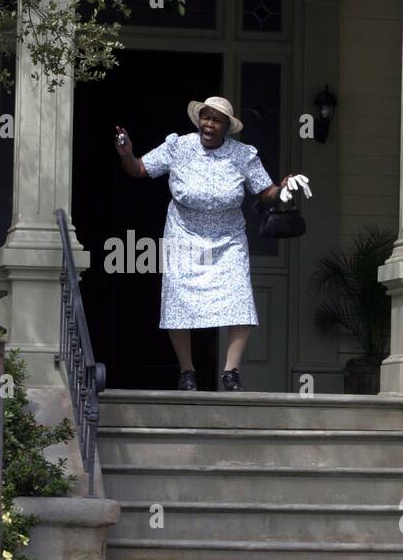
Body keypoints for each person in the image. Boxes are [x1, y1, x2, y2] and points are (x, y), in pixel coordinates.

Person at [114, 95, 302, 392]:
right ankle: (187, 371)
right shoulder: (179, 146)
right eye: (206, 117)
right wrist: (126, 154)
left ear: (226, 126)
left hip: (228, 239)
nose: (209, 124)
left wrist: (283, 189)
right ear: (198, 120)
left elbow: (265, 192)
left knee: (239, 298)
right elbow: (139, 169)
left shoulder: (242, 155)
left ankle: (231, 372)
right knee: (178, 299)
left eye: (216, 120)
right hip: (183, 234)